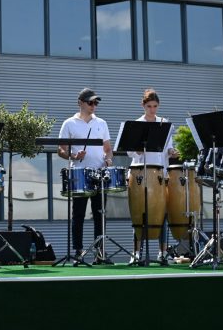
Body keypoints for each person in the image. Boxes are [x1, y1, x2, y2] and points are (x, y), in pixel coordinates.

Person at [58, 88, 113, 263]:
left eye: (96, 103)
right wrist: (73, 156)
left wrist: (109, 159)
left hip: (99, 173)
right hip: (79, 174)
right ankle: (78, 253)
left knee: (100, 214)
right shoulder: (69, 123)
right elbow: (61, 150)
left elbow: (108, 149)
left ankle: (99, 253)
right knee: (78, 215)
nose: (93, 106)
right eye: (90, 102)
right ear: (80, 103)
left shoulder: (101, 123)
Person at [126, 89, 178, 264]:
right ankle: (136, 253)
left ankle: (162, 252)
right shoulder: (137, 123)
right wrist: (138, 150)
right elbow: (129, 151)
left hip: (160, 173)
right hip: (140, 172)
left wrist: (172, 151)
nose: (152, 110)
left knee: (161, 212)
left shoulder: (164, 123)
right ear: (143, 105)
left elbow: (168, 147)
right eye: (149, 106)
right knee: (139, 212)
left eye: (155, 106)